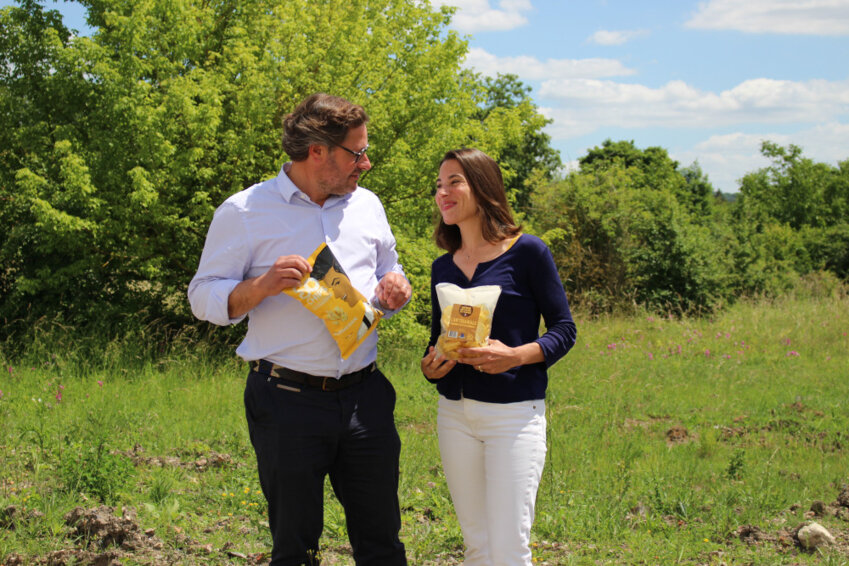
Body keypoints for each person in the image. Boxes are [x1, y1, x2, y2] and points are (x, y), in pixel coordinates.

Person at [188, 93, 411, 566]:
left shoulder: (367, 205)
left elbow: (390, 268)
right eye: (357, 153)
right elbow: (201, 295)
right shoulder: (245, 211)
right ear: (317, 153)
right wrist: (260, 287)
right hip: (285, 401)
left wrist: (397, 288)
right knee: (296, 548)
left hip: (365, 397)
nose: (366, 164)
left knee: (382, 544)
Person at [420, 148, 577, 566]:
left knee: (508, 549)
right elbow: (438, 339)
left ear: (484, 188)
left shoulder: (528, 252)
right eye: (439, 185)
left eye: (454, 181)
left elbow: (565, 329)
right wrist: (430, 366)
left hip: (514, 416)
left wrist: (517, 356)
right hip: (455, 416)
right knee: (478, 547)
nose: (443, 192)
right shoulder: (443, 268)